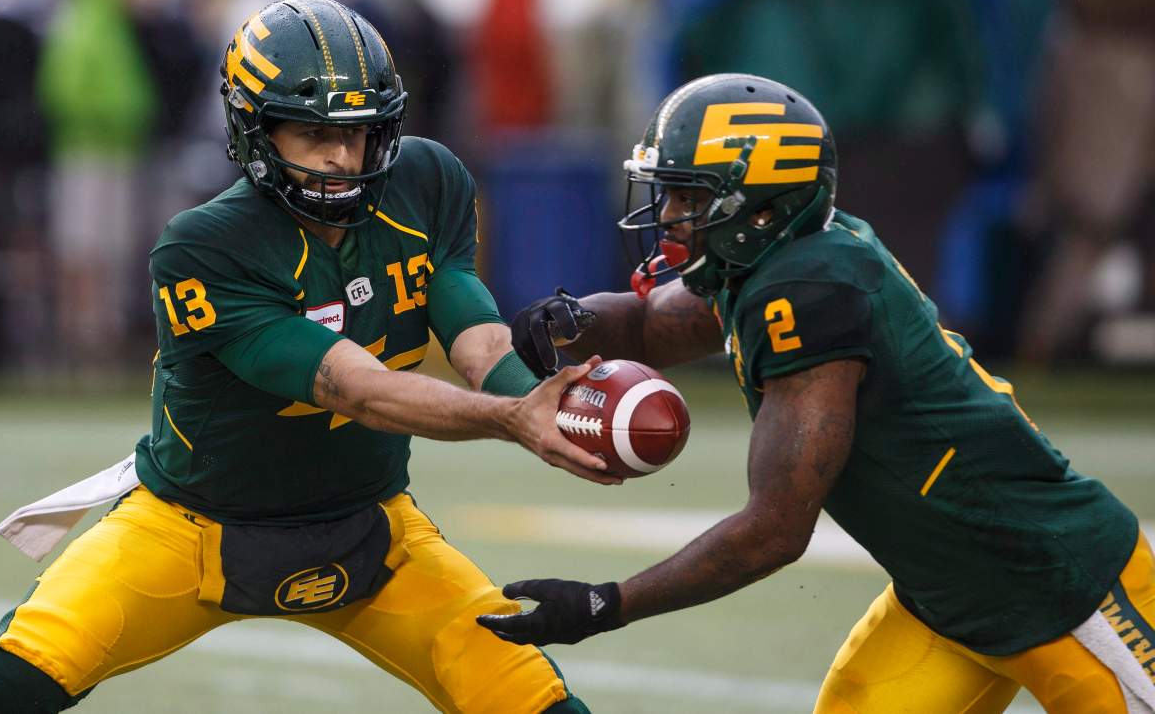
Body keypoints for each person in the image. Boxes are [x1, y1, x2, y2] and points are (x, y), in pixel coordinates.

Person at [0, 0, 615, 714]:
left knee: (535, 698)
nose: (343, 156)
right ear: (256, 129)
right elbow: (356, 388)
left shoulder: (426, 182)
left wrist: (539, 400)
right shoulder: (205, 245)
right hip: (192, 530)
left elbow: (477, 331)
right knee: (15, 678)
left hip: (369, 528)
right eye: (313, 133)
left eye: (360, 132)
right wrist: (508, 418)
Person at [483, 73, 1155, 713]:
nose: (671, 215)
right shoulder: (771, 257)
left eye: (691, 196)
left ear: (763, 206)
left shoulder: (810, 291)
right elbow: (652, 324)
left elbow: (773, 530)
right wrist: (569, 317)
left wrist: (609, 602)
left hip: (1056, 584)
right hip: (945, 598)